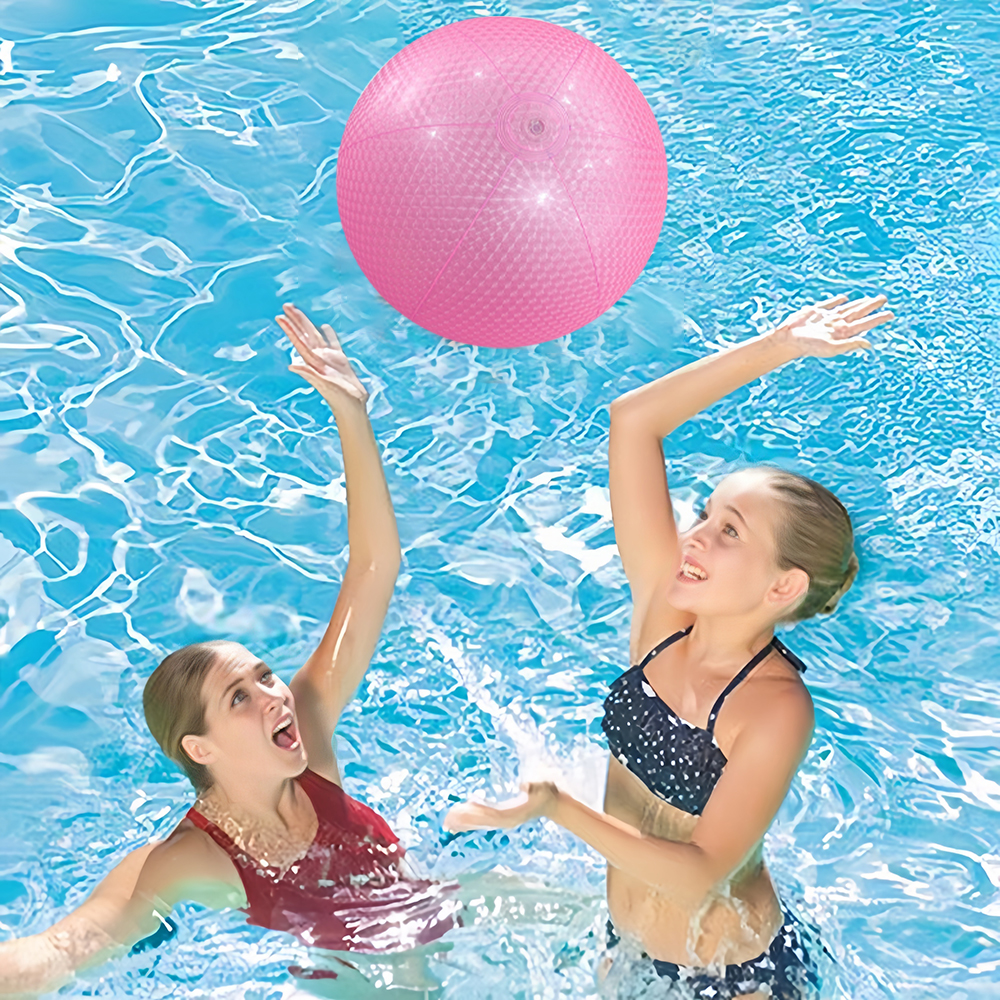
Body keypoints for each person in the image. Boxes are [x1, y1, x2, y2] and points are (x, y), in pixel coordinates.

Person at [0, 305, 461, 997]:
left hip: (447, 944)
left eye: (265, 676)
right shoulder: (191, 860)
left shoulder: (308, 727)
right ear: (200, 747)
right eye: (239, 696)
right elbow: (63, 950)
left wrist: (352, 415)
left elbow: (375, 570)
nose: (276, 696)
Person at [445, 293, 896, 999]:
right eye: (705, 515)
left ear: (783, 587)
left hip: (734, 978)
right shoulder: (663, 615)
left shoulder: (776, 709)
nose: (694, 538)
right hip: (627, 949)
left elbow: (701, 873)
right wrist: (777, 347)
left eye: (729, 532)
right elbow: (634, 422)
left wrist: (556, 807)